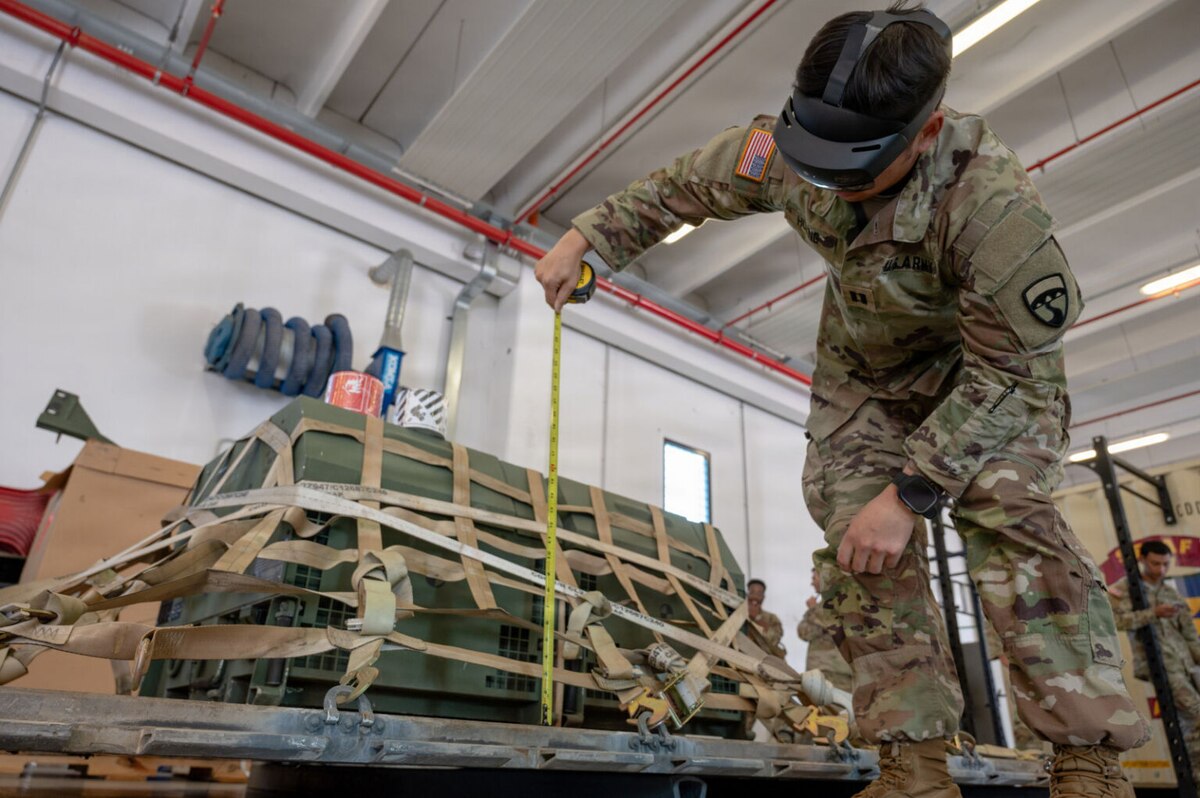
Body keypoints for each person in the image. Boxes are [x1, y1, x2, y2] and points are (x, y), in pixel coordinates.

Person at [534, 3, 1149, 794]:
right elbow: (691, 182)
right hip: (866, 378)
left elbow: (1013, 377)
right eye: (813, 158)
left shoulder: (990, 207)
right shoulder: (799, 145)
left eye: (852, 170)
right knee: (858, 540)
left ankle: (1090, 766)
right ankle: (914, 766)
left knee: (1009, 520)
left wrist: (914, 490)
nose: (824, 180)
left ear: (923, 136)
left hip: (988, 380)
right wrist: (589, 237)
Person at [1110, 540, 1200, 778]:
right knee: (1195, 713)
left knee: (1195, 719)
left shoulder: (1169, 591)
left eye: (1165, 565)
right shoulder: (1125, 589)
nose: (1161, 570)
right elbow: (1115, 621)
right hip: (1159, 665)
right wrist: (1152, 614)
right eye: (1155, 563)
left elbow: (1189, 633)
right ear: (1143, 560)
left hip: (1185, 664)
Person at [797, 569, 852, 692]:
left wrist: (812, 609)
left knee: (837, 709)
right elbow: (804, 631)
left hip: (835, 672)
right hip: (824, 670)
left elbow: (807, 631)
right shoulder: (823, 604)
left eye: (814, 578)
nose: (812, 583)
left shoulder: (837, 602)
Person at [746, 578, 786, 657]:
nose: (755, 596)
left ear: (763, 597)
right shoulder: (738, 613)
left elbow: (775, 640)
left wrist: (756, 619)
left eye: (759, 593)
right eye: (752, 592)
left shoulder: (772, 618)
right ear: (747, 595)